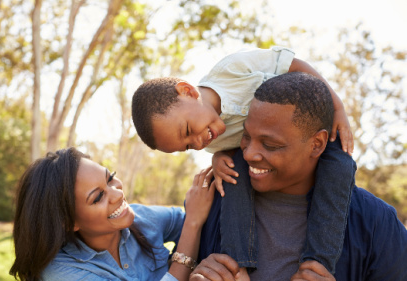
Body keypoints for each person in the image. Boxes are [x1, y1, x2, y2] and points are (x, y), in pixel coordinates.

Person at [131, 46, 355, 276]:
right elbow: (231, 149)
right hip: (267, 159)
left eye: (188, 130)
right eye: (188, 146)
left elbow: (293, 64)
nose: (198, 143)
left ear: (187, 91)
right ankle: (236, 264)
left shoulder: (231, 70)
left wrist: (336, 107)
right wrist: (220, 157)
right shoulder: (211, 139)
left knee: (341, 166)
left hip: (309, 130)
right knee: (232, 175)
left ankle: (318, 265)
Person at [191, 72, 407, 280]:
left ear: (317, 144)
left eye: (270, 145)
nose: (248, 154)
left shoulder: (377, 224)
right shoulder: (210, 203)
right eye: (246, 136)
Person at [9, 147, 216, 281]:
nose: (117, 194)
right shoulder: (61, 272)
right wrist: (192, 227)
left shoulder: (142, 218)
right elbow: (193, 223)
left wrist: (223, 156)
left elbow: (206, 226)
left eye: (110, 179)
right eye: (98, 197)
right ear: (69, 222)